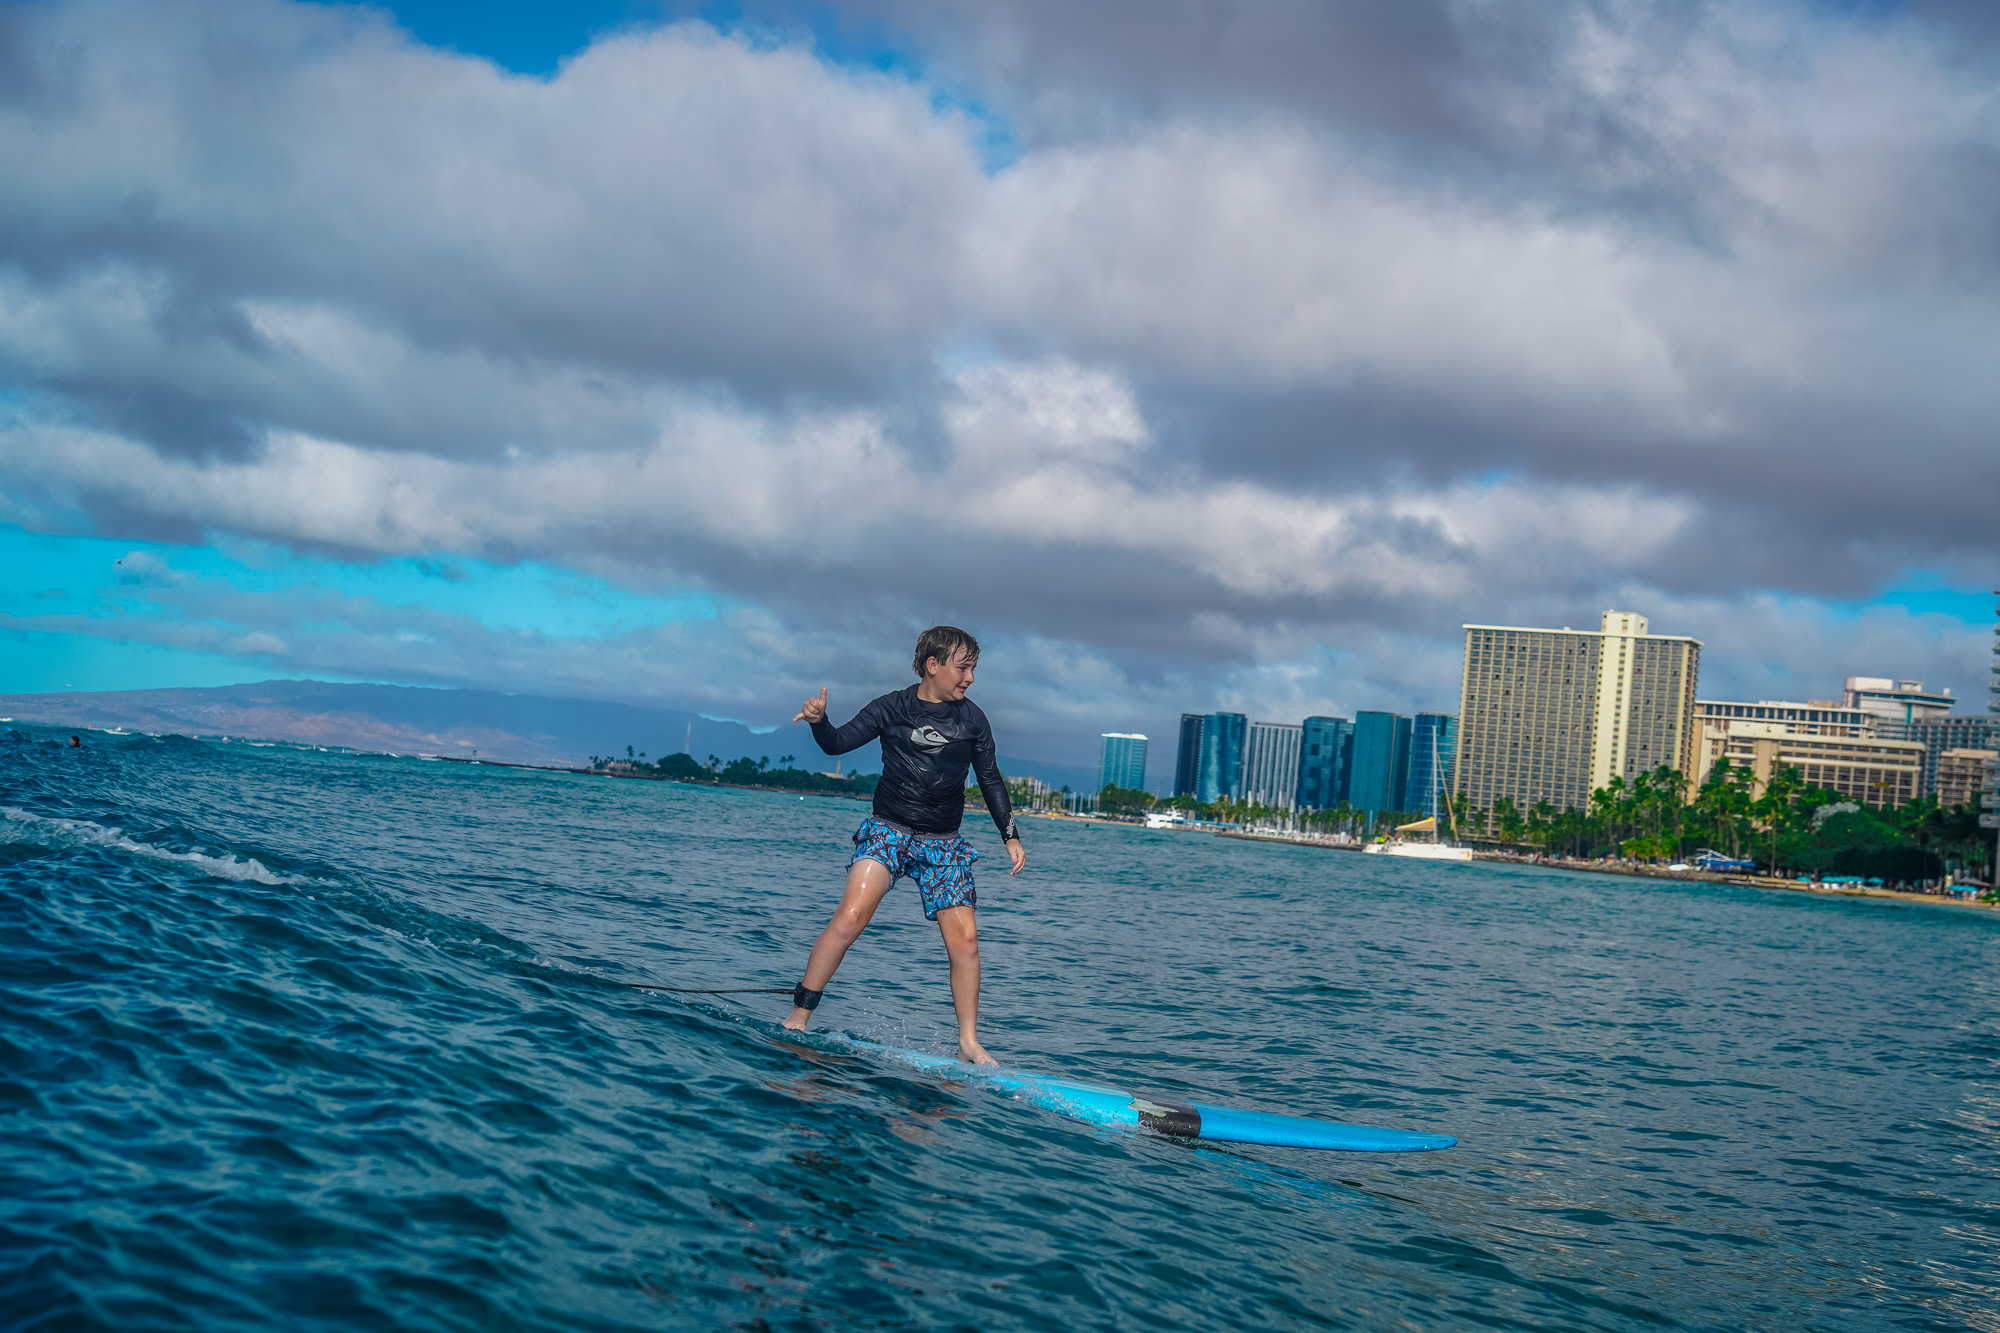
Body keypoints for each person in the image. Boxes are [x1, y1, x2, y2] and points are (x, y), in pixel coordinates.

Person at [783, 625, 1025, 1064]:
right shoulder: (891, 707)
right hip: (888, 831)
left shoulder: (973, 719)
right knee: (850, 917)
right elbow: (837, 742)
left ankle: (968, 1042)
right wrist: (820, 722)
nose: (970, 678)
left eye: (974, 669)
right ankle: (799, 1015)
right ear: (933, 665)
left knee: (967, 944)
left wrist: (1010, 835)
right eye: (963, 667)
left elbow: (989, 777)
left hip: (943, 844)